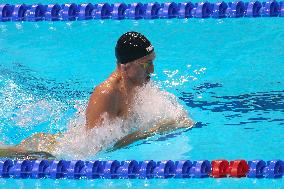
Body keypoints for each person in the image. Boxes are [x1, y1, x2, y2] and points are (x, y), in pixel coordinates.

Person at [0, 31, 193, 158]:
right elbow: (94, 149)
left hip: (72, 144)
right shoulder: (106, 93)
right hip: (61, 152)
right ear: (125, 67)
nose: (152, 70)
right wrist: (151, 132)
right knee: (28, 155)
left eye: (152, 61)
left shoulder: (139, 82)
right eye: (145, 64)